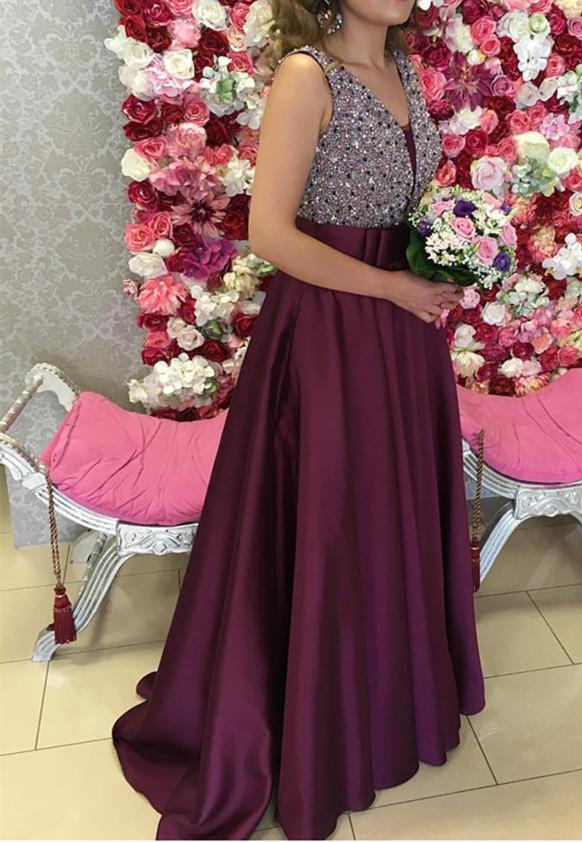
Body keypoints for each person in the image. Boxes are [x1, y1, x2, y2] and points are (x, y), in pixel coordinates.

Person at [110, 0, 487, 838]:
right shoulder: (306, 76)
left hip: (403, 334)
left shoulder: (404, 69)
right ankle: (321, 719)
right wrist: (393, 286)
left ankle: (388, 701)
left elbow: (403, 206)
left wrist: (447, 254)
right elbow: (271, 235)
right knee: (332, 517)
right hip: (330, 332)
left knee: (386, 511)